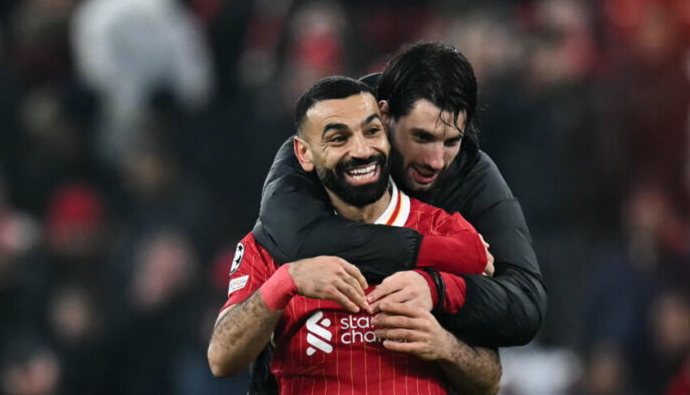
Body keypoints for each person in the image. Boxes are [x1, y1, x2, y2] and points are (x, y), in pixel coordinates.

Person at [209, 76, 501, 395]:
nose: (361, 151)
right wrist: (285, 282)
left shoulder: (446, 232)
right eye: (338, 139)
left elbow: (489, 380)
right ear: (305, 154)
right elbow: (222, 358)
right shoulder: (270, 246)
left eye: (372, 132)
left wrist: (444, 345)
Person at [253, 42, 546, 348]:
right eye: (422, 137)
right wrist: (436, 252)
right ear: (385, 115)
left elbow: (526, 304)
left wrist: (437, 289)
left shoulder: (472, 173)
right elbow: (297, 240)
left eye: (451, 141)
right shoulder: (325, 140)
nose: (436, 161)